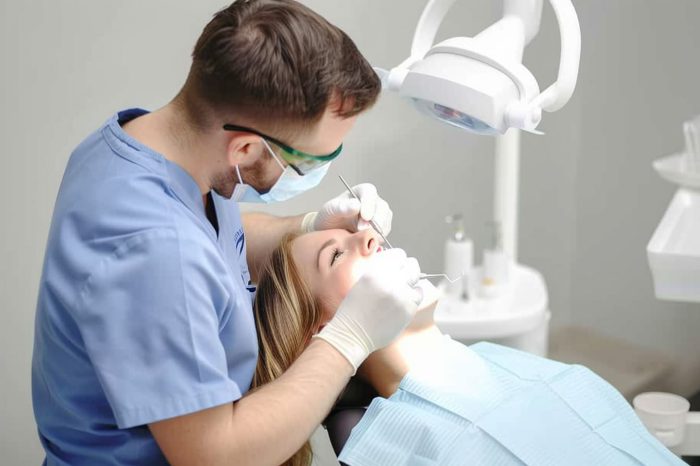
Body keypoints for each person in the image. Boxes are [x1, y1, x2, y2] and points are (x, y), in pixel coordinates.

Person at [32, 1, 423, 465]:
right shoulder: (155, 250)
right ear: (244, 147)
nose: (314, 172)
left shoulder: (139, 146)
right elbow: (215, 457)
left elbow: (208, 241)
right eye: (308, 163)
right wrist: (349, 339)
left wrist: (308, 226)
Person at [252, 228, 686, 466]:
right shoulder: (394, 446)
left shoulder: (497, 362)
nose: (370, 236)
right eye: (336, 255)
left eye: (356, 231)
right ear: (326, 330)